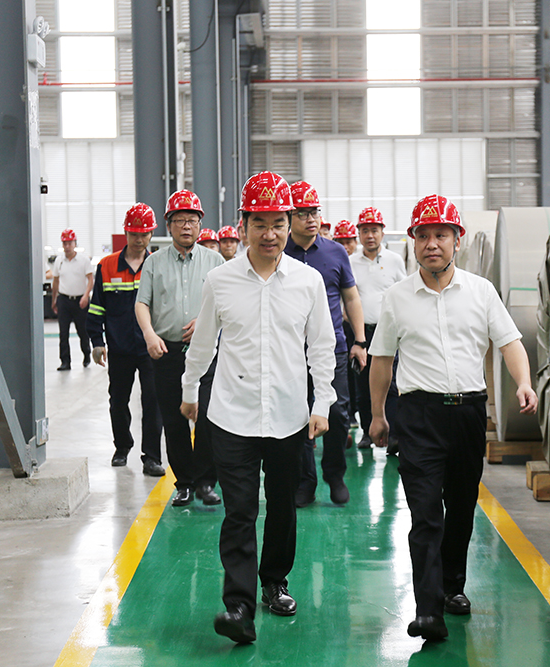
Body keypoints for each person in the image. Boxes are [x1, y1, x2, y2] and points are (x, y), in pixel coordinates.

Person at [368, 194, 538, 642]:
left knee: (461, 508)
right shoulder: (396, 298)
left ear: (457, 240)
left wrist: (523, 382)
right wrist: (378, 415)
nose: (432, 244)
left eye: (441, 235)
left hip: (467, 414)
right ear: (413, 242)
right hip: (418, 417)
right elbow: (382, 360)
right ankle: (428, 611)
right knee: (426, 513)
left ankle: (451, 586)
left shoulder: (481, 291)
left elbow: (509, 342)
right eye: (423, 236)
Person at [180, 171, 336, 644]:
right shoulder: (220, 280)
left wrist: (323, 401)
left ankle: (274, 582)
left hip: (289, 416)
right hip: (232, 415)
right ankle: (239, 606)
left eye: (279, 223)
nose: (270, 234)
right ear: (243, 224)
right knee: (240, 511)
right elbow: (204, 343)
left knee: (284, 507)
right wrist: (190, 390)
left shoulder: (308, 282)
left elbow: (321, 347)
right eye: (260, 224)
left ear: (290, 224)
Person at [135, 189, 225, 507]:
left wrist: (205, 319)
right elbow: (142, 303)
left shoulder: (215, 262)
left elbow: (226, 303)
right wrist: (149, 334)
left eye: (192, 220)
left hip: (206, 353)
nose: (186, 226)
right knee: (174, 421)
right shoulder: (154, 263)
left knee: (207, 418)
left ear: (200, 224)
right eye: (180, 220)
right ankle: (184, 483)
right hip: (167, 353)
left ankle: (206, 482)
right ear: (169, 225)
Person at [286, 180, 368, 507]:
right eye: (303, 213)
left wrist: (359, 341)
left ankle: (334, 474)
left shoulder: (335, 252)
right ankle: (304, 481)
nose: (311, 219)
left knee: (336, 412)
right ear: (289, 216)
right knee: (297, 416)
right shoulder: (279, 252)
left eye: (315, 212)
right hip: (290, 352)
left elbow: (351, 297)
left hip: (332, 348)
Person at [87, 203, 165, 476]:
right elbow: (97, 306)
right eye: (134, 234)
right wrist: (97, 342)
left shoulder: (158, 265)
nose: (139, 239)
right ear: (125, 232)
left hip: (151, 348)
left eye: (144, 234)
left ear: (152, 234)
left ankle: (151, 457)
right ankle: (122, 447)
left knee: (153, 402)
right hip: (119, 347)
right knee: (118, 401)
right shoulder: (107, 266)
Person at [350, 207, 406, 450]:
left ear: (382, 232)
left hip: (389, 332)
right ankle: (366, 432)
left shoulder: (394, 261)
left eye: (374, 230)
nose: (370, 235)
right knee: (363, 386)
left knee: (390, 383)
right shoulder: (351, 262)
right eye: (365, 231)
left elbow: (403, 294)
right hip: (361, 334)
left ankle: (393, 435)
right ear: (359, 234)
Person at [51, 228, 94, 371]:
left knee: (82, 331)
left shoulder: (83, 260)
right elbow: (55, 281)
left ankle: (86, 354)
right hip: (64, 300)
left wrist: (86, 296)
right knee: (63, 333)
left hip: (80, 301)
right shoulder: (59, 261)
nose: (67, 246)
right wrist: (54, 300)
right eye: (65, 243)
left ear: (75, 243)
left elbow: (90, 279)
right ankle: (65, 361)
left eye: (70, 243)